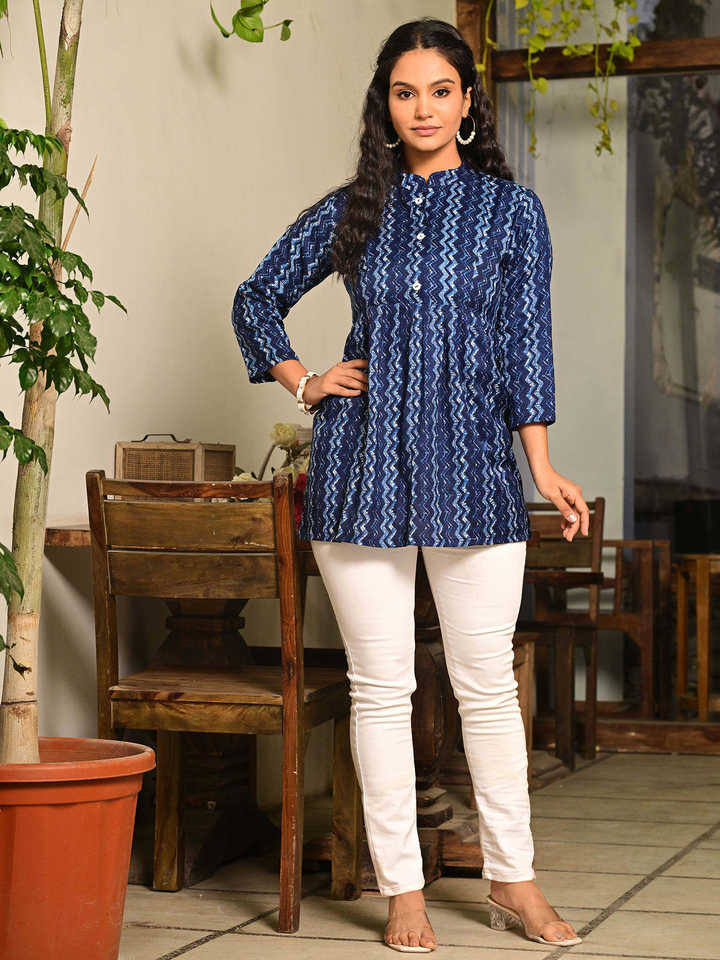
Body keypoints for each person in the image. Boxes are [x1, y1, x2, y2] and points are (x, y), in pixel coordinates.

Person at [231, 16, 589, 954]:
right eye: (404, 92)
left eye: (439, 90)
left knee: (486, 687)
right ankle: (403, 890)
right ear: (384, 106)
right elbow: (255, 297)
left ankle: (513, 879)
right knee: (381, 688)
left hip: (475, 471)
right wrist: (306, 381)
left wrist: (541, 464)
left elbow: (527, 344)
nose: (422, 108)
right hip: (363, 470)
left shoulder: (513, 214)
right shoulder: (354, 208)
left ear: (468, 103)